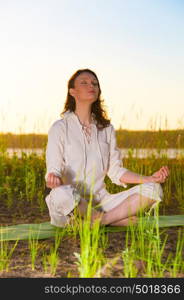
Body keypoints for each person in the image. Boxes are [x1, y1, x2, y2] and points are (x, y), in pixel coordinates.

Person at [45, 68, 169, 227]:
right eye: (84, 83)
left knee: (154, 189)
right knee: (61, 194)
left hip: (102, 202)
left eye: (95, 83)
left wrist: (149, 178)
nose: (91, 86)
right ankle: (113, 219)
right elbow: (53, 170)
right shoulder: (59, 128)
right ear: (73, 92)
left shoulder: (106, 129)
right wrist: (53, 179)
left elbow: (116, 171)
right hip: (70, 204)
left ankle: (102, 220)